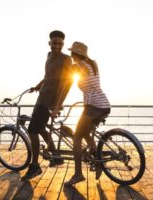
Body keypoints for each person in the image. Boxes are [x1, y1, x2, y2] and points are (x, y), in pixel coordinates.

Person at [21, 30, 73, 180]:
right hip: (42, 97)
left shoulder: (66, 59)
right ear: (49, 43)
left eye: (60, 43)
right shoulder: (49, 56)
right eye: (54, 43)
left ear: (63, 44)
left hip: (49, 101)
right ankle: (56, 156)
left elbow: (66, 83)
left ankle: (35, 166)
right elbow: (48, 76)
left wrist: (58, 105)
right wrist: (38, 86)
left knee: (32, 130)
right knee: (40, 127)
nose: (57, 46)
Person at [63, 41, 110, 185]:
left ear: (74, 54)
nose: (70, 56)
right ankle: (98, 162)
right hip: (103, 104)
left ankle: (78, 174)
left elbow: (66, 73)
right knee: (85, 133)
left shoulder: (80, 65)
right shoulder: (92, 64)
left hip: (93, 106)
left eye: (71, 53)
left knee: (77, 137)